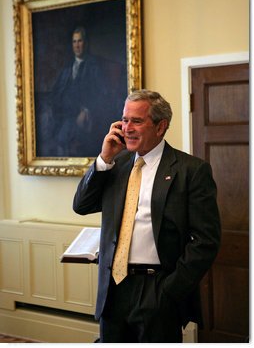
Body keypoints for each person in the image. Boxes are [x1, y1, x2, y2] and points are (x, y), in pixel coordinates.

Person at [73, 89, 221, 343]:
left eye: (137, 121)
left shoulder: (191, 171)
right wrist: (104, 158)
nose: (127, 128)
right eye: (124, 120)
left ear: (161, 126)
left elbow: (205, 241)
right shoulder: (115, 164)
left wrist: (170, 291)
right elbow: (82, 205)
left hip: (158, 288)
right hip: (113, 287)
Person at [50, 26, 119, 157]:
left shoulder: (94, 65)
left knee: (70, 136)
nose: (77, 45)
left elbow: (102, 94)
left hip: (84, 116)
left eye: (80, 41)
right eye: (74, 42)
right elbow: (57, 92)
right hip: (66, 114)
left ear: (85, 43)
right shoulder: (68, 67)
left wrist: (87, 110)